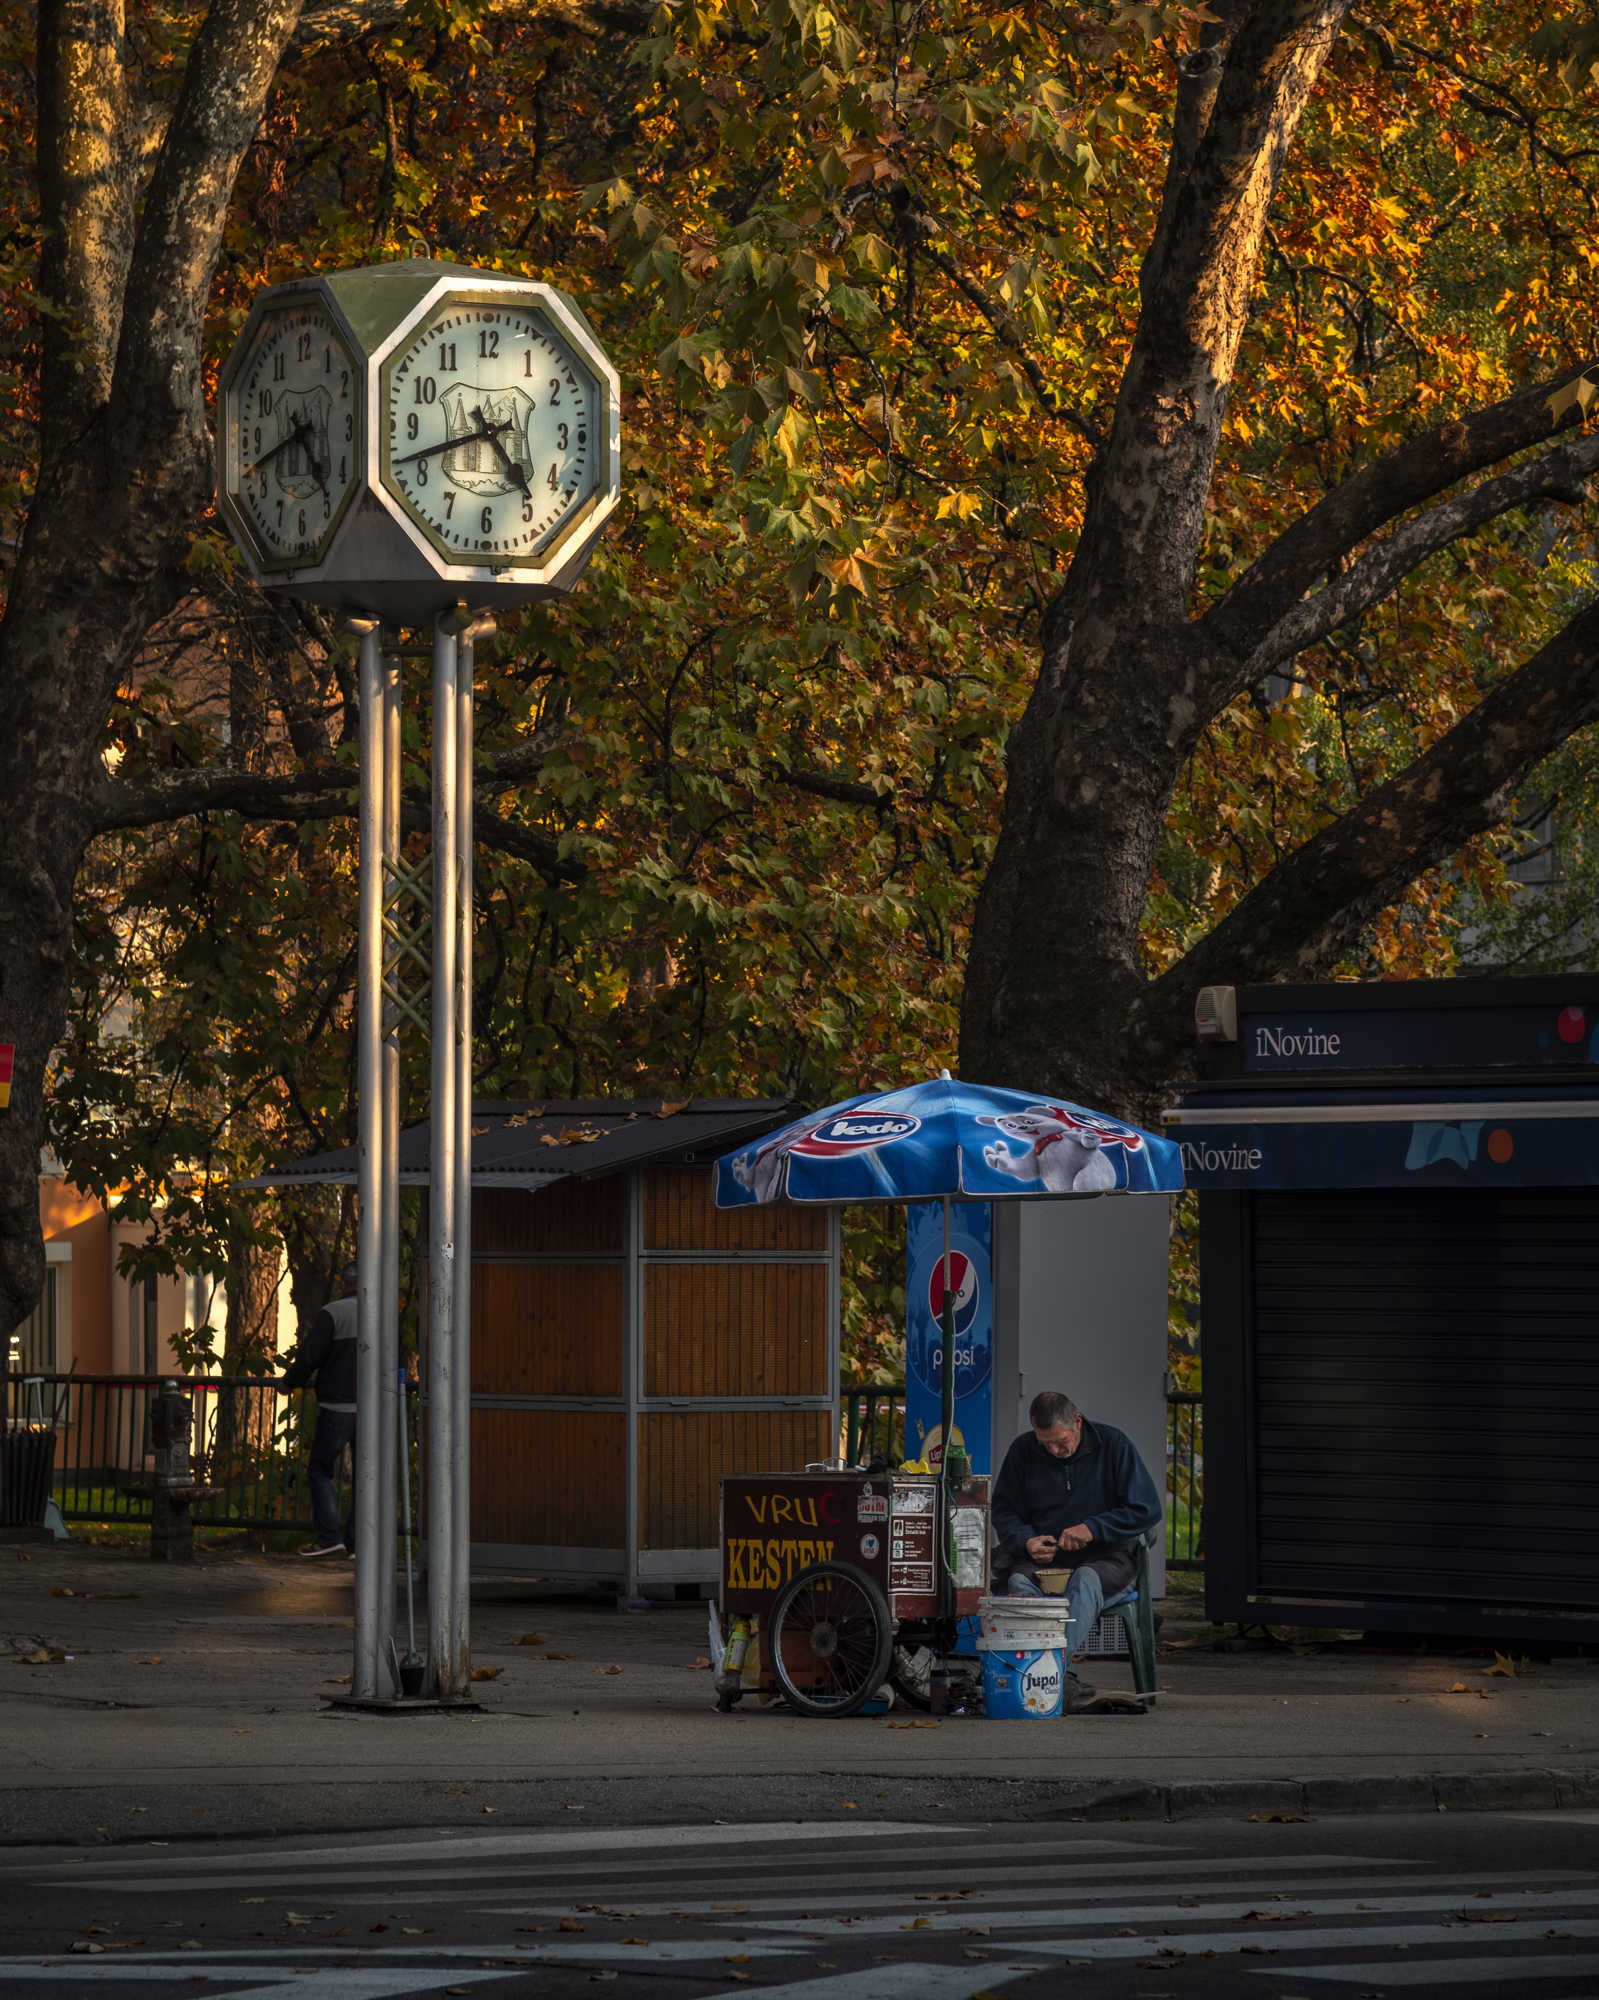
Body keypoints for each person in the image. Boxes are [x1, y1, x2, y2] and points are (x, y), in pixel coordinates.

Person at [990, 1389, 1162, 1712]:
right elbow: (1003, 1510)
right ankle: (1052, 1677)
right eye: (1045, 1443)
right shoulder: (1023, 1451)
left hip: (1107, 1559)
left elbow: (1146, 1509)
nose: (1054, 1450)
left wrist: (1094, 1528)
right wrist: (1026, 1541)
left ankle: (1048, 1675)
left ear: (1078, 1422)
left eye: (1061, 1442)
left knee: (1084, 1579)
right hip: (1047, 1560)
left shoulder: (1114, 1445)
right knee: (1018, 1583)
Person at [280, 1263, 359, 1559]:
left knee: (320, 1469)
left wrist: (289, 1382)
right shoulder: (383, 1311)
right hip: (375, 1408)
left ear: (343, 1283)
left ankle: (329, 1537)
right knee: (367, 1475)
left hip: (337, 1404)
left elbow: (309, 1356)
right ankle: (358, 1543)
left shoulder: (333, 1313)